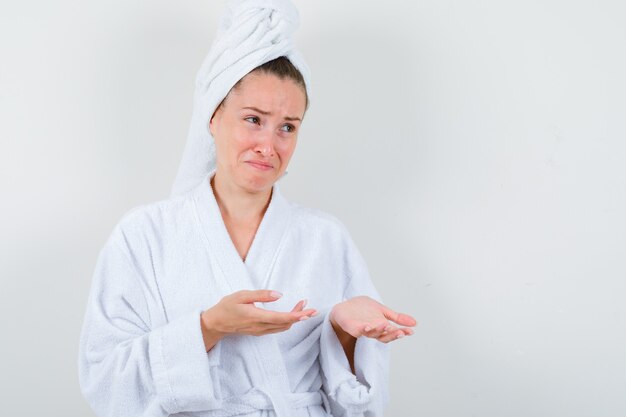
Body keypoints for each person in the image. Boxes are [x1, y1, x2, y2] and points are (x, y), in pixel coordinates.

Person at [77, 1, 416, 417]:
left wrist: (342, 332)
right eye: (253, 119)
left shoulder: (326, 238)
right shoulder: (144, 234)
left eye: (287, 127)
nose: (269, 145)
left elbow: (354, 399)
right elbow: (104, 379)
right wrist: (210, 327)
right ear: (214, 117)